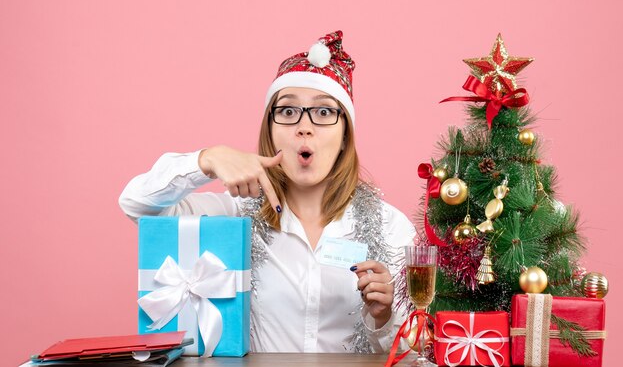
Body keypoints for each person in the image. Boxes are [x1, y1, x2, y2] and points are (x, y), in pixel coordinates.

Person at [119, 30, 416, 353]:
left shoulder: (391, 228)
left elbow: (414, 353)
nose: (305, 126)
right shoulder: (235, 216)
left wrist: (384, 317)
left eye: (324, 112)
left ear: (345, 134)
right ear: (270, 132)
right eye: (288, 112)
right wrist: (207, 159)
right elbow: (137, 205)